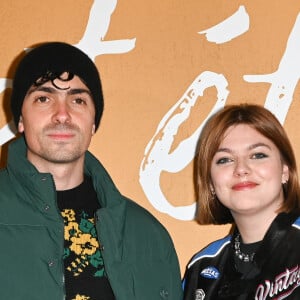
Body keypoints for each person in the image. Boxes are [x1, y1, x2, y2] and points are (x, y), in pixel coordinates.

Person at [0, 41, 183, 300]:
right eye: (43, 98)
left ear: (93, 122)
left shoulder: (146, 235)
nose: (62, 115)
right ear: (20, 118)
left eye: (77, 100)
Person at [182, 104, 300, 300]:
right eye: (225, 159)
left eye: (258, 155)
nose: (241, 169)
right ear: (210, 182)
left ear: (285, 171)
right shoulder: (201, 268)